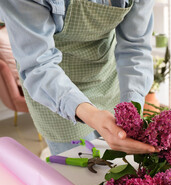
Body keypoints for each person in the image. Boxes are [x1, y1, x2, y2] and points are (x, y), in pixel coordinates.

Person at [0, 0, 157, 155]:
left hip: (106, 76)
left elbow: (135, 47)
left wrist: (131, 109)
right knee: (81, 172)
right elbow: (38, 65)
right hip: (54, 87)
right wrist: (92, 115)